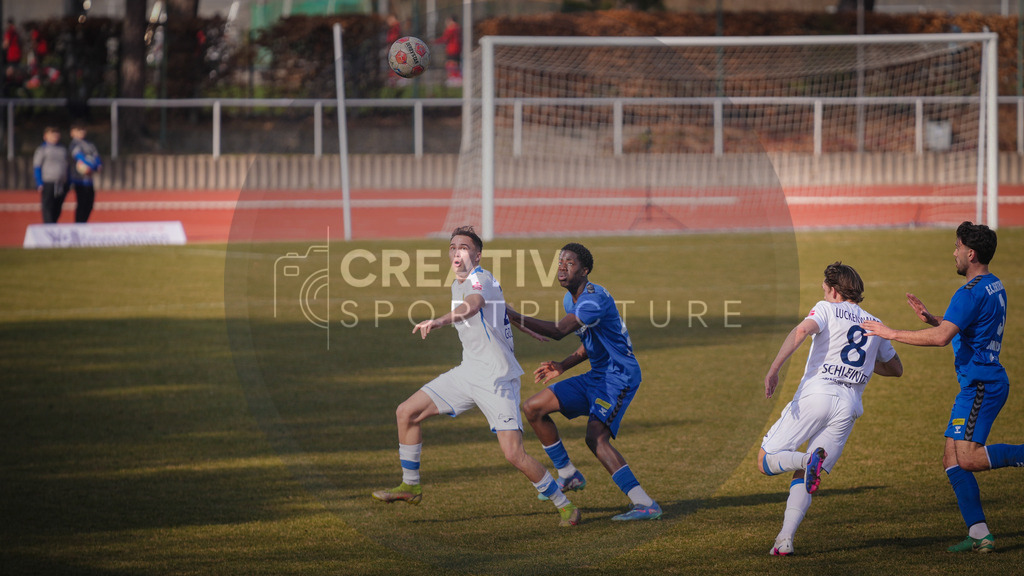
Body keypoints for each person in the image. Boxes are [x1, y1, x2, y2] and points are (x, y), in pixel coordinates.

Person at [371, 226, 582, 527]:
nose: (457, 251)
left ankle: (565, 506)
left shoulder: (478, 278)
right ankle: (411, 486)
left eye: (465, 247)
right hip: (468, 372)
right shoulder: (463, 281)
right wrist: (527, 328)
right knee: (407, 412)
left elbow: (475, 305)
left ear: (477, 255)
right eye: (453, 246)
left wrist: (441, 321)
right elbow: (501, 307)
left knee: (514, 454)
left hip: (497, 379)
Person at [863, 222, 1024, 554]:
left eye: (957, 247)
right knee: (950, 458)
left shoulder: (968, 292)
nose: (954, 253)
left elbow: (941, 340)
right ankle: (980, 533)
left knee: (968, 459)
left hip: (982, 384)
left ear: (971, 253)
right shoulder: (995, 285)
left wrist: (890, 333)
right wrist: (937, 319)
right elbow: (967, 328)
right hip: (978, 383)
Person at [505, 243, 662, 521]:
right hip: (597, 376)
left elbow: (557, 331)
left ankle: (645, 503)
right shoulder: (572, 300)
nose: (562, 267)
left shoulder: (592, 299)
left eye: (570, 263)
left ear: (585, 270)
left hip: (619, 376)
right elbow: (591, 345)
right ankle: (568, 474)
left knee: (596, 437)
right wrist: (563, 365)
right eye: (560, 262)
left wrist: (510, 313)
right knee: (533, 408)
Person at [759, 262, 903, 557]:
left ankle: (806, 458)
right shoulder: (874, 322)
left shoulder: (826, 309)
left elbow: (802, 330)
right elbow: (896, 369)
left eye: (825, 290)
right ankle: (785, 539)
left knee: (765, 460)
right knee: (805, 477)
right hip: (848, 405)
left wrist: (774, 368)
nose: (823, 294)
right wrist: (863, 362)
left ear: (834, 291)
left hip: (817, 395)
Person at [33, 126, 69, 224]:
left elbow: (66, 165)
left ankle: (54, 224)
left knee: (58, 206)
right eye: (52, 134)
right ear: (46, 136)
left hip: (61, 183)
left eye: (56, 134)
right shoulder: (42, 149)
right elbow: (37, 166)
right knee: (48, 205)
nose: (55, 136)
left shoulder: (62, 149)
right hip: (48, 182)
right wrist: (39, 182)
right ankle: (48, 226)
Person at [69, 123, 102, 223]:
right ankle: (79, 225)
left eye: (83, 130)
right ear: (72, 133)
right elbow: (80, 158)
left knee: (89, 204)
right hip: (79, 179)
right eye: (78, 130)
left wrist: (97, 165)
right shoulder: (74, 144)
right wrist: (90, 166)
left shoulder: (90, 145)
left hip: (89, 180)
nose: (81, 132)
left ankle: (83, 223)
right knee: (82, 203)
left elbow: (96, 157)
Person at [438, 15, 461, 87]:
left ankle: (454, 78)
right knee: (455, 63)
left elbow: (445, 38)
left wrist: (435, 41)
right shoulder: (458, 28)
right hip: (457, 48)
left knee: (450, 63)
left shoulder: (451, 29)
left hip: (452, 48)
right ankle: (455, 78)